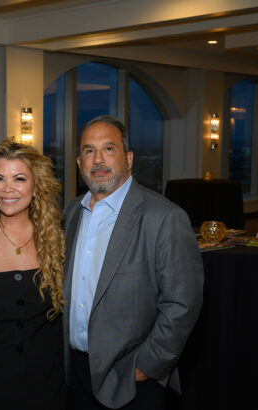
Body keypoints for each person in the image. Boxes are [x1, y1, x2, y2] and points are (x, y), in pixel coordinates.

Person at [63, 115, 204, 410]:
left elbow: (182, 303)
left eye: (108, 149)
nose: (98, 160)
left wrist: (149, 364)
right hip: (74, 372)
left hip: (130, 379)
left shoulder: (164, 217)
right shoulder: (71, 212)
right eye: (89, 151)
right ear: (79, 162)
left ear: (128, 159)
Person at [0, 140, 68, 410]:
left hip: (49, 382)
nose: (7, 188)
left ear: (36, 186)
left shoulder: (60, 234)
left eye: (19, 178)